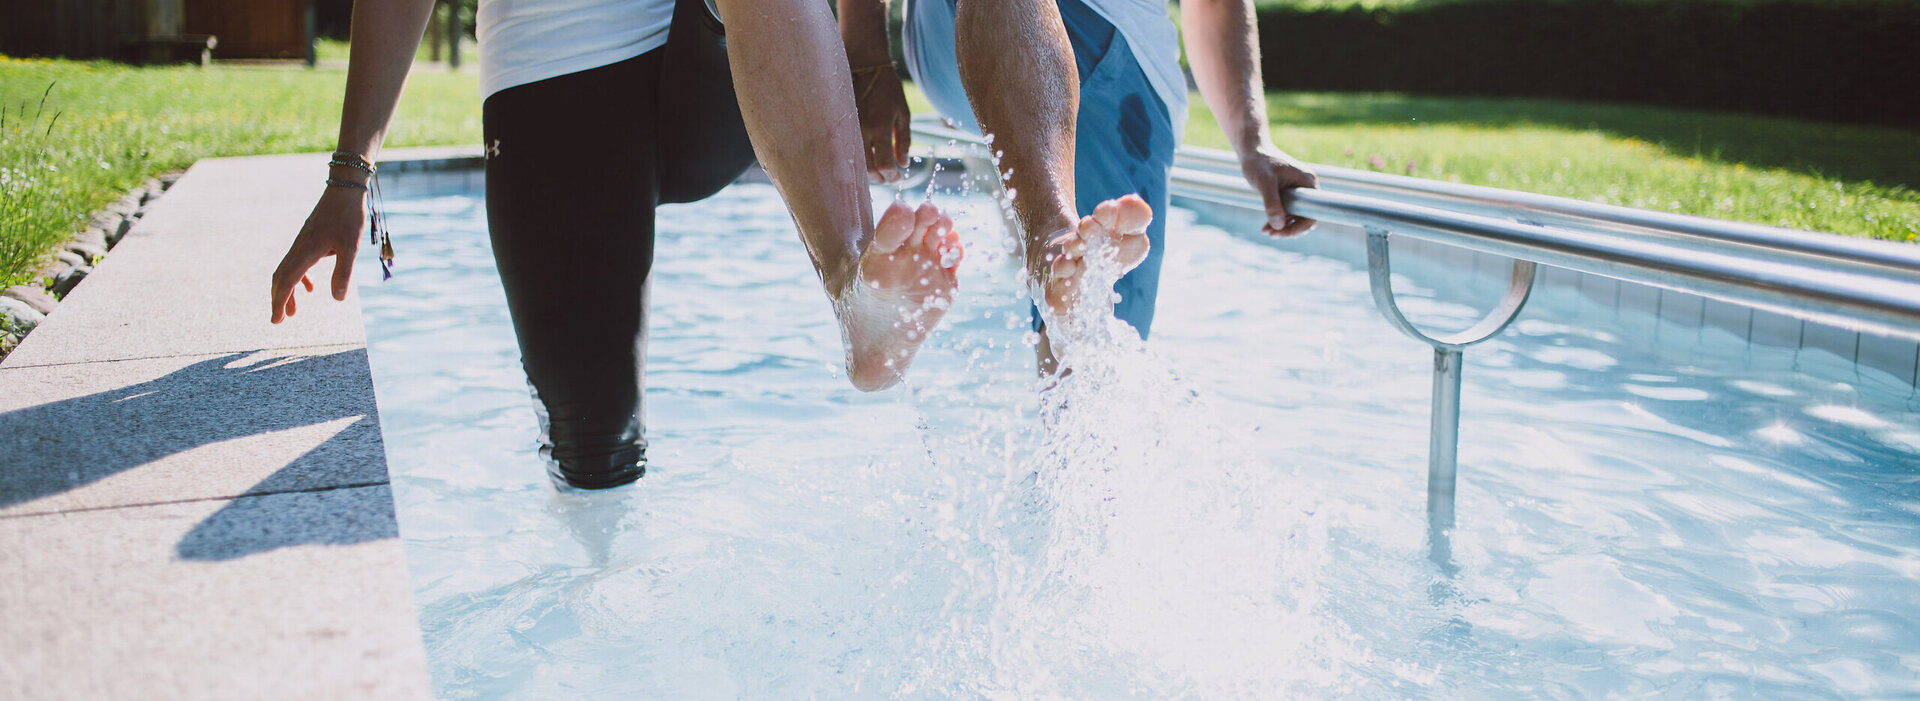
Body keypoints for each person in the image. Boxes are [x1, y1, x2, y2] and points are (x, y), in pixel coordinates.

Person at [269, 0, 966, 490]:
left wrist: (866, 57)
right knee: (594, 466)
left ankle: (854, 292)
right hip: (553, 79)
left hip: (716, 53)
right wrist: (349, 177)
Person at [840, 0, 1319, 371]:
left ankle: (1046, 264)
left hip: (1019, 55)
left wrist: (867, 64)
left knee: (1088, 351)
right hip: (1096, 68)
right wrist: (863, 64)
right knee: (1088, 350)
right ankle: (1051, 254)